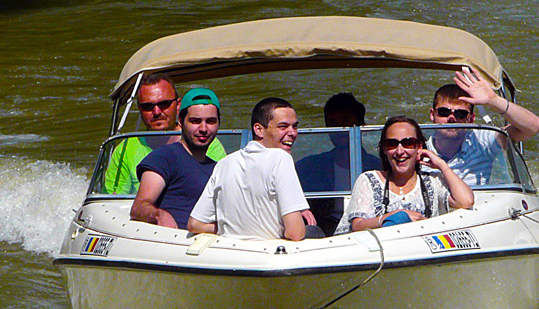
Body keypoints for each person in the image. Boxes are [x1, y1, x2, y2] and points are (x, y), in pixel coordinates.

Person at [189, 98, 319, 241]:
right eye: (283, 127)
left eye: (294, 126)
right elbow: (295, 233)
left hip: (231, 252)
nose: (292, 133)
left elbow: (195, 224)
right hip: (269, 255)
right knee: (315, 232)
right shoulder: (281, 158)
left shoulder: (224, 163)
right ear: (258, 130)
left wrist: (226, 228)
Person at [334, 116, 473, 234]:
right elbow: (357, 226)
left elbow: (465, 201)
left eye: (408, 143)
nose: (400, 151)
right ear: (384, 149)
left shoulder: (432, 182)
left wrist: (442, 165)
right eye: (392, 144)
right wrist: (396, 216)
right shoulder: (368, 180)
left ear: (419, 147)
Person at [103, 73, 225, 194]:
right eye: (148, 106)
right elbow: (112, 200)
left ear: (178, 105)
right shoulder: (125, 150)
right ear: (140, 109)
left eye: (164, 104)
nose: (156, 112)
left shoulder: (208, 144)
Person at [426, 67, 539, 186]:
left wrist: (493, 101)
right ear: (432, 114)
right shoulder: (415, 149)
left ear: (471, 119)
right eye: (444, 112)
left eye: (460, 114)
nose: (451, 118)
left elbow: (533, 126)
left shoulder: (482, 142)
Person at [129, 88, 222, 229]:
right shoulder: (164, 157)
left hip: (210, 242)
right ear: (180, 121)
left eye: (210, 121)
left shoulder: (220, 168)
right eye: (195, 121)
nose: (203, 128)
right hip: (174, 241)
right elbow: (139, 207)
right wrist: (159, 215)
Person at [295, 92, 382, 236]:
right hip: (321, 234)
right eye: (333, 123)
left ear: (361, 126)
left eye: (345, 121)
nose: (339, 129)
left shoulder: (379, 169)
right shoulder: (308, 167)